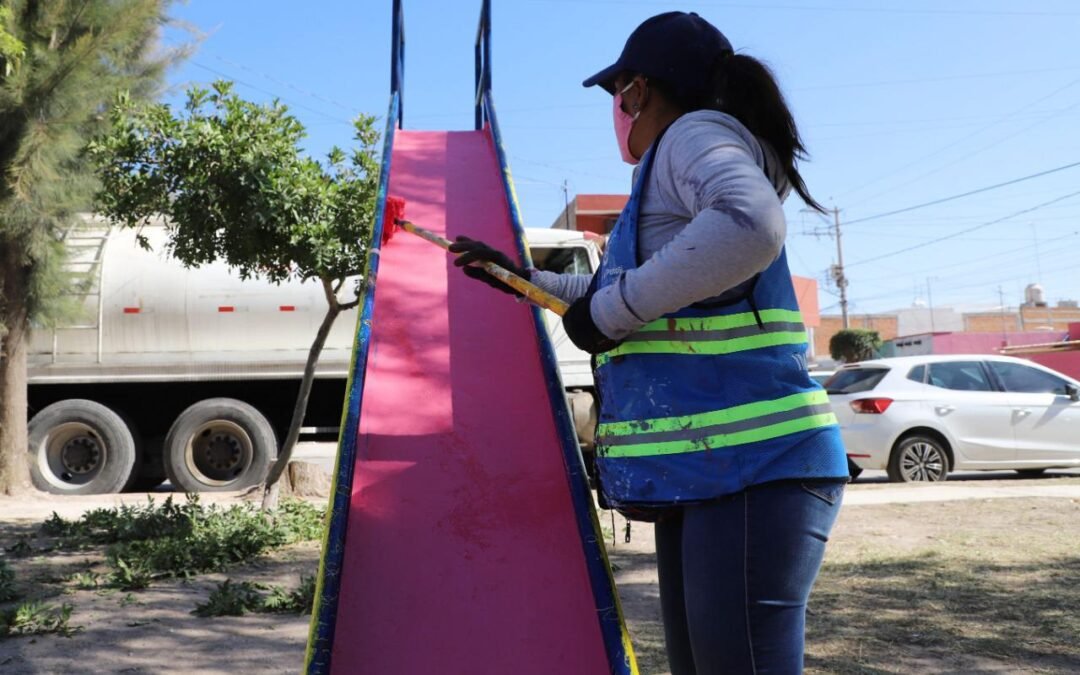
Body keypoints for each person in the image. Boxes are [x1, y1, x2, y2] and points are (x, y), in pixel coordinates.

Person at [450, 11, 847, 674]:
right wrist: (523, 279)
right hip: (714, 468)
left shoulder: (694, 135)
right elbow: (620, 297)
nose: (616, 108)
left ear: (641, 90)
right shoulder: (667, 173)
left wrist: (613, 309)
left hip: (752, 465)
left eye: (618, 93)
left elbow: (750, 225)